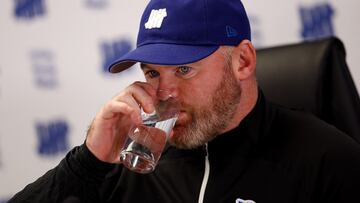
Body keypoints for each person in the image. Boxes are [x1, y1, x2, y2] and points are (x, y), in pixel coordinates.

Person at [9, 0, 360, 202]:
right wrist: (88, 161)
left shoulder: (328, 162)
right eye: (152, 73)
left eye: (184, 69)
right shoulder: (134, 163)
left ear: (243, 62)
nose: (164, 93)